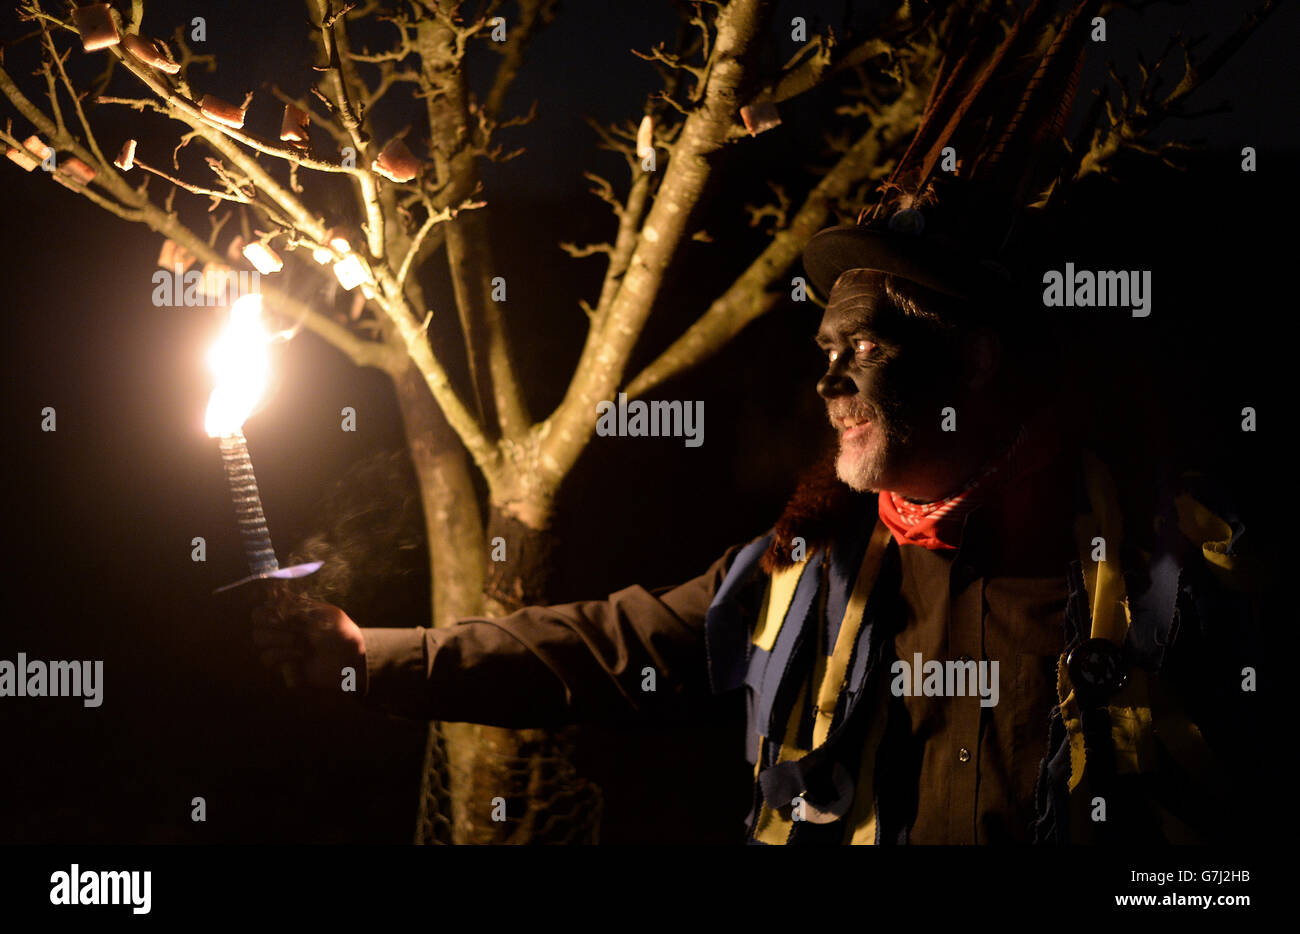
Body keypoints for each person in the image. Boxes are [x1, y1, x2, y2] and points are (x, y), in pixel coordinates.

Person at [251, 3, 1261, 844]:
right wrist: (370, 655)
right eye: (820, 349)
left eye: (858, 347)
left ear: (974, 358)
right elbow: (611, 645)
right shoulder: (810, 567)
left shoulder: (1159, 565)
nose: (825, 380)